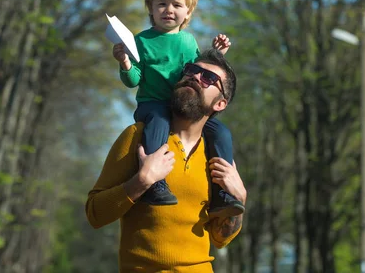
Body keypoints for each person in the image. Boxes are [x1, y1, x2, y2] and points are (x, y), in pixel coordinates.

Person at [86, 49, 247, 272]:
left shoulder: (217, 155)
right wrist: (141, 182)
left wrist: (240, 200)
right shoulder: (137, 137)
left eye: (208, 78)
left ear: (220, 104)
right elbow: (95, 214)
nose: (195, 76)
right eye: (192, 70)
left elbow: (220, 239)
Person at [112, 0, 243, 217]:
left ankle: (222, 192)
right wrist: (125, 63)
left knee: (221, 132)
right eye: (161, 4)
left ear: (188, 12)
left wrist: (216, 54)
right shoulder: (141, 41)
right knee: (158, 121)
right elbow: (133, 80)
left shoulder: (188, 41)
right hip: (153, 103)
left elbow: (197, 74)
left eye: (177, 5)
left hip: (182, 106)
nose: (169, 10)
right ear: (150, 8)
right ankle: (155, 182)